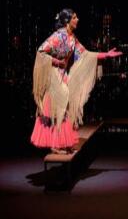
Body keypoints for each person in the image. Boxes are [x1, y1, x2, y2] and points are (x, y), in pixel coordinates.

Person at [31, 9, 122, 154]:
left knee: (64, 109)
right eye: (74, 17)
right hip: (53, 76)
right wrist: (56, 61)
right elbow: (41, 52)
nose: (78, 19)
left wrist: (106, 55)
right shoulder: (57, 36)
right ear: (67, 21)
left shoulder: (72, 38)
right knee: (57, 108)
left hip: (63, 76)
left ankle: (61, 142)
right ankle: (55, 144)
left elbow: (85, 55)